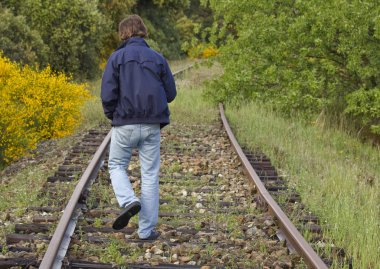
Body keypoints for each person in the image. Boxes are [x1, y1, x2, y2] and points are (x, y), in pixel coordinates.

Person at [101, 14, 176, 240]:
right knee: (150, 175)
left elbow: (107, 94)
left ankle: (128, 200)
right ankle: (146, 231)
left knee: (116, 165)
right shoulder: (158, 58)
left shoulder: (116, 58)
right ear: (143, 31)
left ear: (123, 33)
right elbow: (171, 94)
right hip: (152, 126)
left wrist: (112, 116)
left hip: (124, 124)